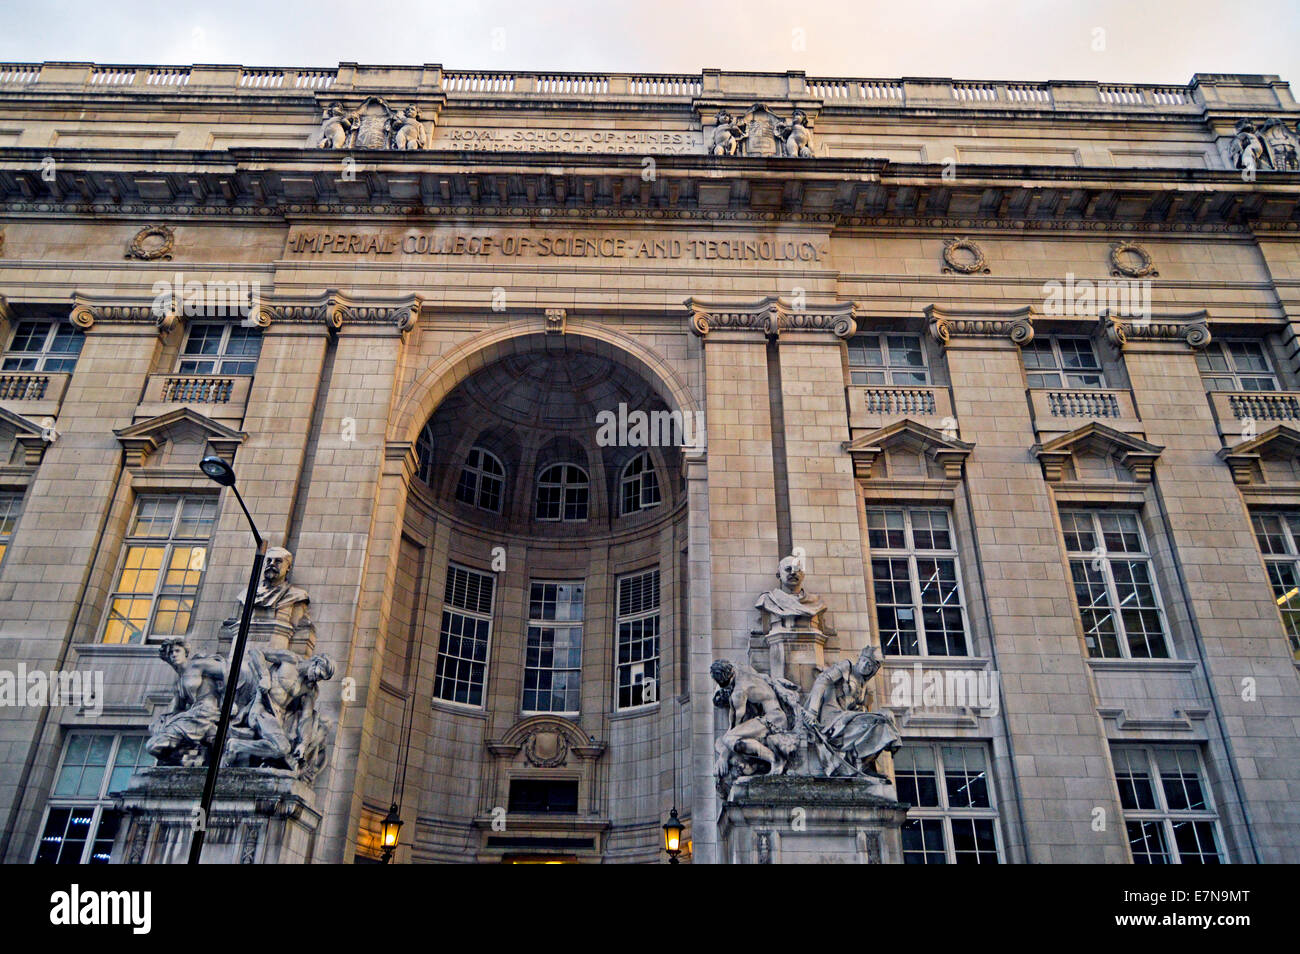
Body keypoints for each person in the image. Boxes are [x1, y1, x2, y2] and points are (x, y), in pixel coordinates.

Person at [804, 645, 901, 779]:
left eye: (871, 665)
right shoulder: (846, 667)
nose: (866, 665)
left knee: (883, 721)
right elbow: (822, 680)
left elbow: (858, 709)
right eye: (865, 661)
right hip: (832, 720)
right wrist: (812, 711)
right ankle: (865, 766)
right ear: (860, 659)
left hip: (847, 719)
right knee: (878, 721)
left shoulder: (864, 686)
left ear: (873, 670)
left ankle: (865, 766)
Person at [145, 638, 226, 766]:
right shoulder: (178, 683)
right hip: (192, 715)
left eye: (177, 651)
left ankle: (192, 753)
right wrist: (163, 721)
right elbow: (177, 710)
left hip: (207, 711)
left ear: (186, 653)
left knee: (154, 745)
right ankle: (189, 755)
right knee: (155, 731)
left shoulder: (198, 665)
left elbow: (229, 671)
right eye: (170, 652)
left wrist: (229, 700)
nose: (174, 654)